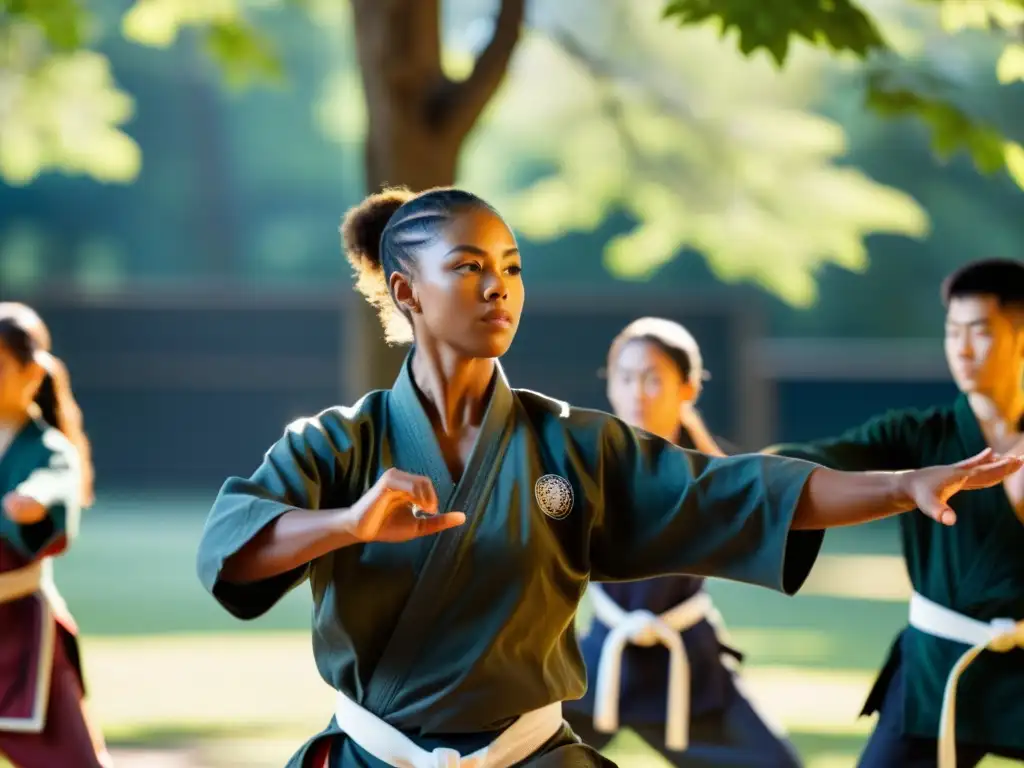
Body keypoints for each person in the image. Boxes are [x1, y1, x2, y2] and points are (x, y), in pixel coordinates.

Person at [195, 188, 1021, 768]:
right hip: (377, 759)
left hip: (529, 756)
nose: (499, 287)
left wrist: (900, 485)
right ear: (406, 291)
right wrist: (349, 526)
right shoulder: (339, 446)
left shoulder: (574, 448)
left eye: (512, 268)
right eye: (471, 267)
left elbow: (739, 490)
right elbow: (233, 545)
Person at [767, 258, 1024, 768]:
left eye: (980, 332)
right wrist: (748, 469)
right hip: (936, 667)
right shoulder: (918, 437)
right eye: (952, 332)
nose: (963, 349)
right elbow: (818, 458)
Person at [563, 316, 800, 766]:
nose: (637, 392)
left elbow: (767, 526)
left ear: (687, 389)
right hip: (599, 666)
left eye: (653, 379)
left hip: (689, 668)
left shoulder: (716, 476)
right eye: (626, 377)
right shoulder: (578, 465)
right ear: (610, 385)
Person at [0, 304, 110, 768]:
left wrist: (33, 500)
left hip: (21, 633)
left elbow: (56, 481)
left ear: (30, 374)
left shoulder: (47, 449)